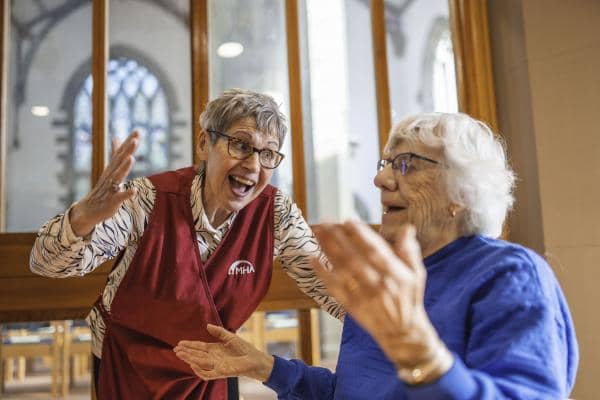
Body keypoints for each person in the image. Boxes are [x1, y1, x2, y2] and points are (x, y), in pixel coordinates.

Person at [173, 112, 578, 399]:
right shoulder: (389, 278)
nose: (380, 179)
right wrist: (263, 366)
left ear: (462, 191)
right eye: (385, 163)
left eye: (406, 165)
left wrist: (419, 352)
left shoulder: (508, 275)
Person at [30, 89, 343, 399]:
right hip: (129, 365)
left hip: (213, 368)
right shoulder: (146, 199)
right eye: (241, 145)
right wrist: (83, 216)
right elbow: (45, 264)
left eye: (268, 153)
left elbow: (332, 288)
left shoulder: (275, 214)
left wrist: (387, 333)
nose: (253, 165)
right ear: (204, 143)